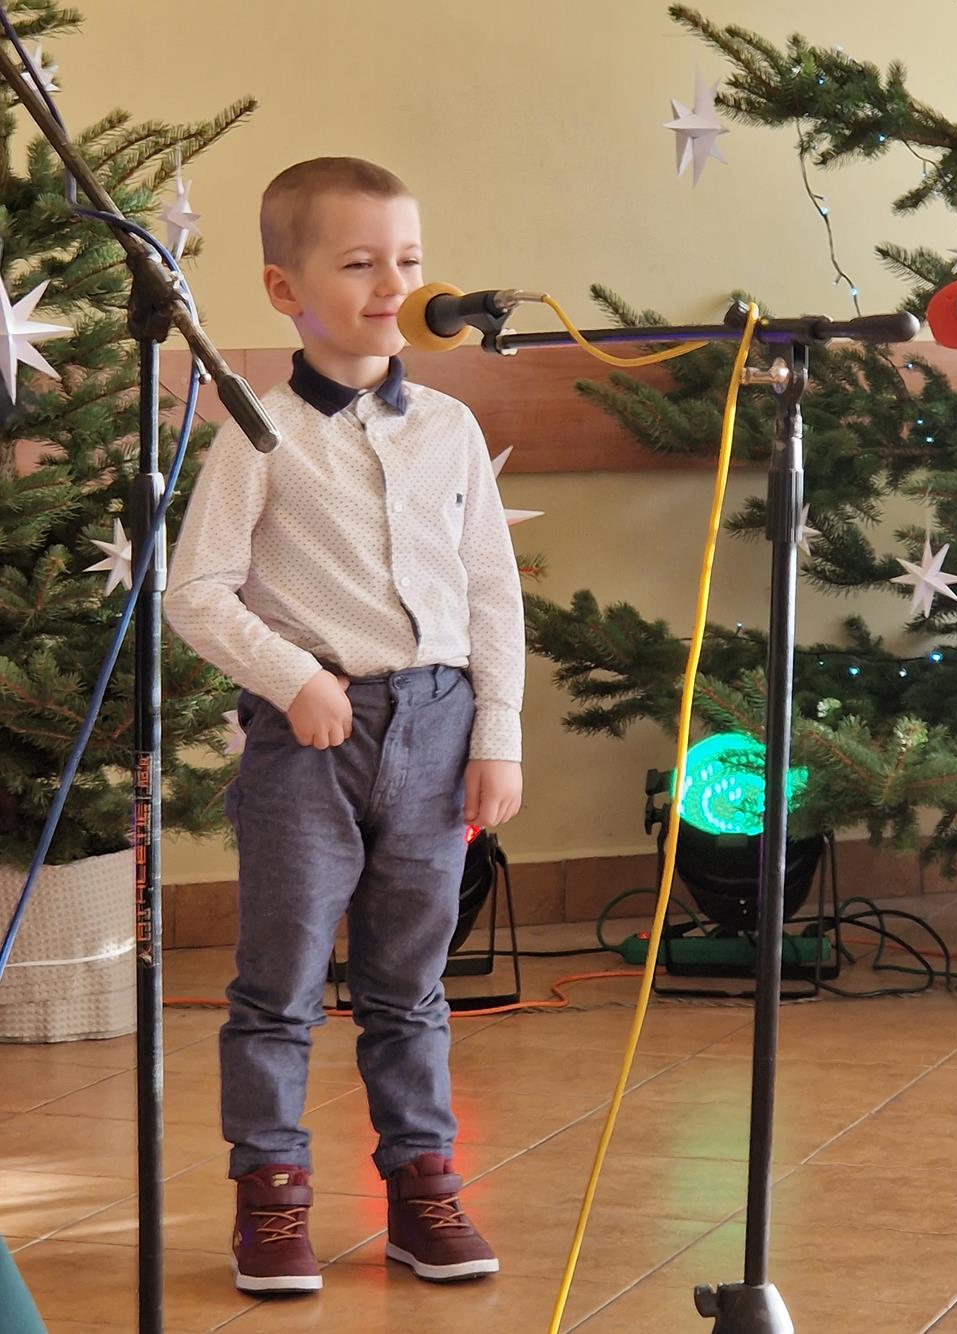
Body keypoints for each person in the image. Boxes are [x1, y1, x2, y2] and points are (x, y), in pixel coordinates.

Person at [164, 156, 524, 1294]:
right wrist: (291, 677)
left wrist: (498, 734)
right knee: (277, 985)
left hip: (437, 726)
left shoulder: (451, 427)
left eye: (407, 260)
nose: (393, 284)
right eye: (360, 262)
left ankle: (422, 1187)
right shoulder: (259, 434)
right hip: (311, 741)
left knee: (408, 983)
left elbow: (489, 591)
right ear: (286, 290)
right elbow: (195, 590)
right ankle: (271, 1198)